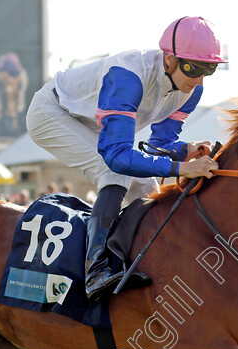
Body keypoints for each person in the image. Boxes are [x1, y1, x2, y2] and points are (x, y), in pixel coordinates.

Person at [26, 16, 224, 300]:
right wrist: (183, 167)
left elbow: (159, 143)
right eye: (193, 68)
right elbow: (117, 157)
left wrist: (185, 149)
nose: (198, 79)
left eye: (210, 69)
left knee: (147, 189)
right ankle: (95, 270)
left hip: (93, 126)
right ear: (169, 59)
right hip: (51, 112)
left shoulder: (192, 90)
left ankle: (138, 263)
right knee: (114, 172)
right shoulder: (128, 75)